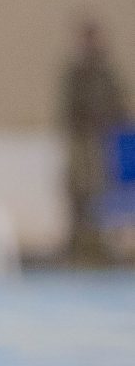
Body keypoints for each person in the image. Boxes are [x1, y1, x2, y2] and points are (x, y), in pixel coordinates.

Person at [59, 18, 129, 262]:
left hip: (104, 140)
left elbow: (118, 105)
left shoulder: (106, 72)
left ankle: (101, 244)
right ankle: (80, 245)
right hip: (82, 139)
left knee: (102, 191)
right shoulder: (76, 73)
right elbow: (68, 109)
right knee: (80, 190)